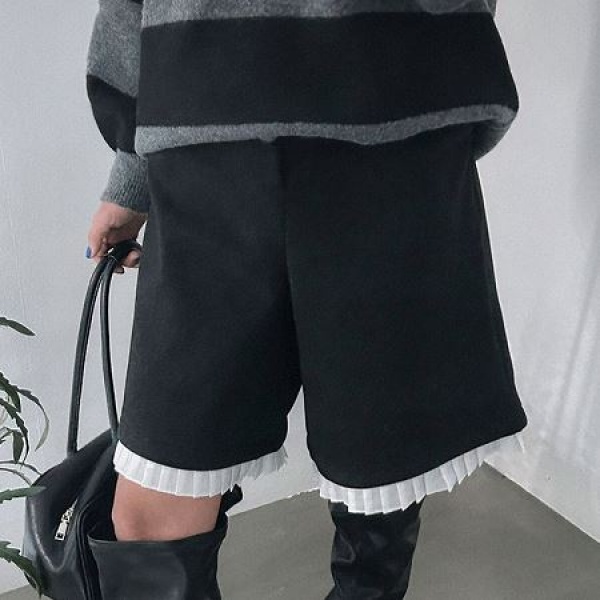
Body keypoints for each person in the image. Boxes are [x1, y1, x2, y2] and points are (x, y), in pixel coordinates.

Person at [84, 1, 529, 598]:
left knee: (381, 477)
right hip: (214, 137)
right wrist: (132, 171)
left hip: (393, 120)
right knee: (152, 504)